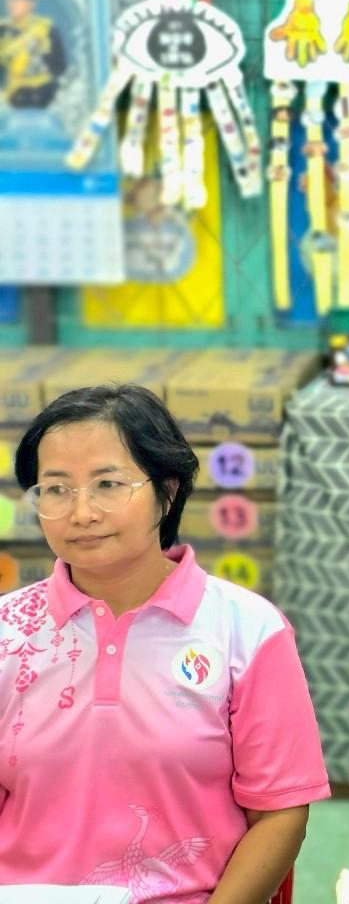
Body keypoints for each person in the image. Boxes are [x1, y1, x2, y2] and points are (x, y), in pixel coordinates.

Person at [0, 385, 330, 902]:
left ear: (168, 491)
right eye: (56, 489)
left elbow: (280, 812)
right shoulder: (7, 632)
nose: (81, 512)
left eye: (108, 484)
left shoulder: (248, 630)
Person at [0, 0, 67, 109]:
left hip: (44, 97)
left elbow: (59, 68)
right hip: (9, 101)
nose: (11, 3)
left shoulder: (47, 30)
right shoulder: (3, 30)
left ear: (31, 3)